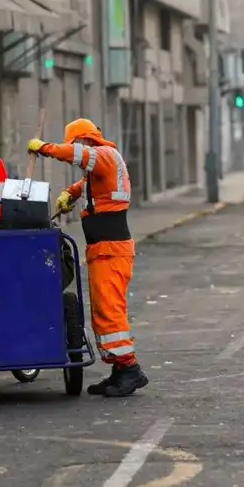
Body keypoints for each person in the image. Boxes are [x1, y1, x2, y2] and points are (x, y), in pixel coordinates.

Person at [28, 118, 148, 397]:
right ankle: (119, 370)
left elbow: (79, 156)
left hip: (111, 250)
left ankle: (129, 369)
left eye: (75, 143)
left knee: (110, 311)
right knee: (103, 311)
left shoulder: (103, 154)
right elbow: (85, 184)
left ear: (84, 140)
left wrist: (44, 147)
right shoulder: (100, 167)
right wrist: (69, 194)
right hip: (103, 250)